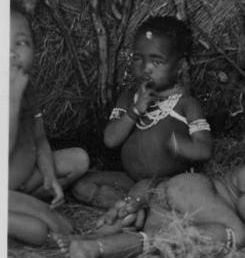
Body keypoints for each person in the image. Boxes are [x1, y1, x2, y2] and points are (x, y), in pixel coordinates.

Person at [67, 101, 245, 258]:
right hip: (191, 189)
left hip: (176, 202)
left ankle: (92, 247)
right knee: (237, 234)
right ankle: (96, 244)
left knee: (154, 241)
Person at [71, 15, 212, 212]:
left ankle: (132, 208)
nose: (145, 68)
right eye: (138, 58)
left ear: (180, 66)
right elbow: (110, 140)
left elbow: (205, 149)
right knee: (81, 185)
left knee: (143, 190)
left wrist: (181, 146)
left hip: (165, 182)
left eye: (156, 61)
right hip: (130, 180)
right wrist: (135, 110)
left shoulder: (186, 104)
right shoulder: (129, 98)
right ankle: (131, 207)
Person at [9, 6, 89, 247]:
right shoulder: (13, 92)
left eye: (21, 43)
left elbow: (40, 139)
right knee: (46, 227)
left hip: (23, 180)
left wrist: (49, 174)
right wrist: (12, 100)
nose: (12, 53)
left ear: (35, 50)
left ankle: (21, 202)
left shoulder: (28, 90)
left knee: (79, 159)